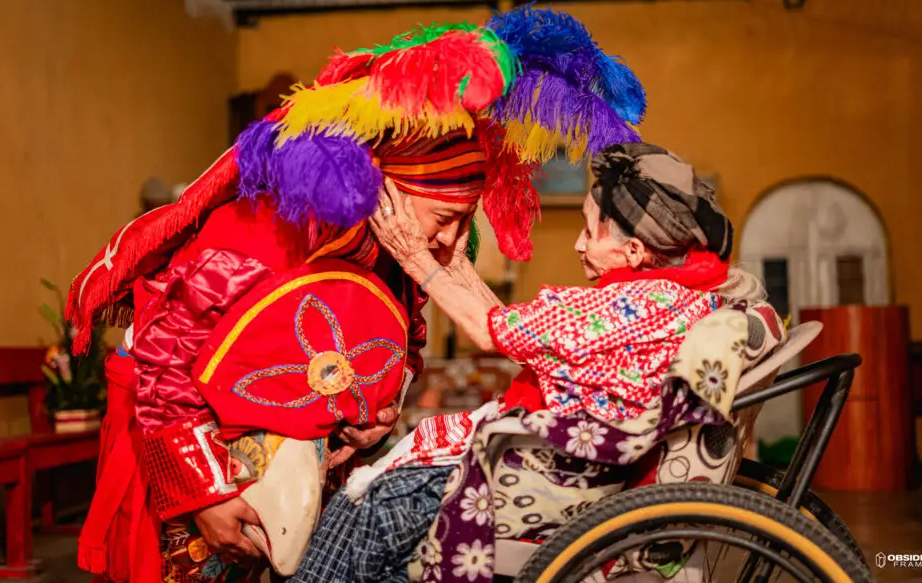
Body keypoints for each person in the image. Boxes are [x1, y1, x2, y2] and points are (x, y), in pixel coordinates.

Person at [66, 5, 647, 583]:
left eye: (463, 221)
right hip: (187, 460)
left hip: (280, 482)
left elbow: (398, 355)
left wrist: (372, 420)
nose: (452, 239)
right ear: (391, 191)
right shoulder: (269, 227)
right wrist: (205, 496)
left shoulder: (396, 260)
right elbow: (162, 360)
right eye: (444, 216)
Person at [291, 142, 784, 583]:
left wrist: (415, 256)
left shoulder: (632, 306)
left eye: (590, 232)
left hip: (552, 479)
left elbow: (491, 330)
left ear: (633, 251)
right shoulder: (679, 298)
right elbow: (513, 331)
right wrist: (454, 266)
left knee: (365, 507)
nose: (578, 244)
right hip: (585, 470)